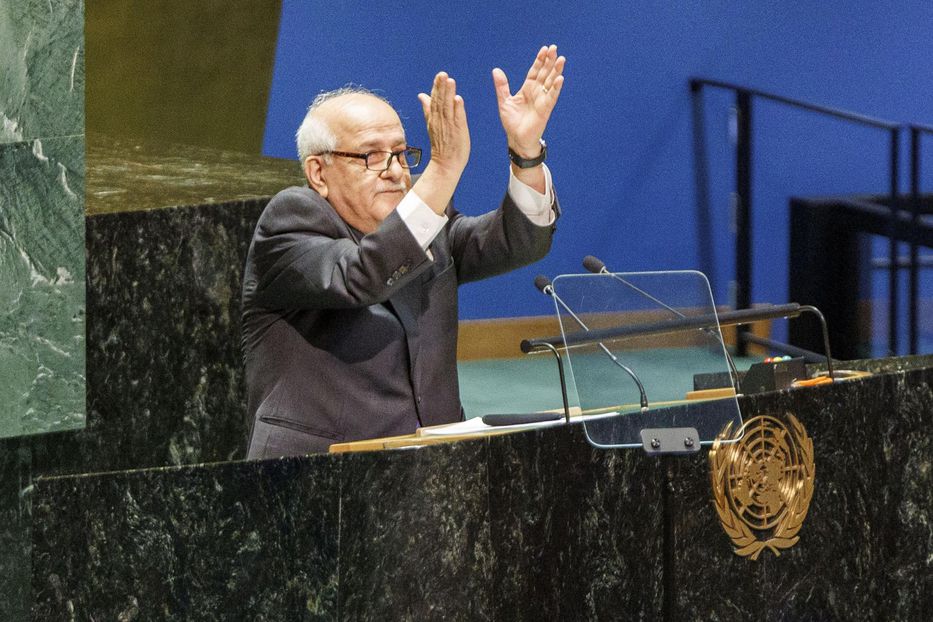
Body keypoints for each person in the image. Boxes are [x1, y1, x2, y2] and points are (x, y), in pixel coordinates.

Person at [242, 45, 566, 458]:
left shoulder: (427, 222)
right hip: (320, 472)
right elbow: (361, 276)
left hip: (430, 466)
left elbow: (519, 241)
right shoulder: (290, 220)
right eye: (371, 156)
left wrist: (526, 154)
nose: (396, 170)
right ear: (318, 173)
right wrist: (443, 169)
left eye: (400, 153)